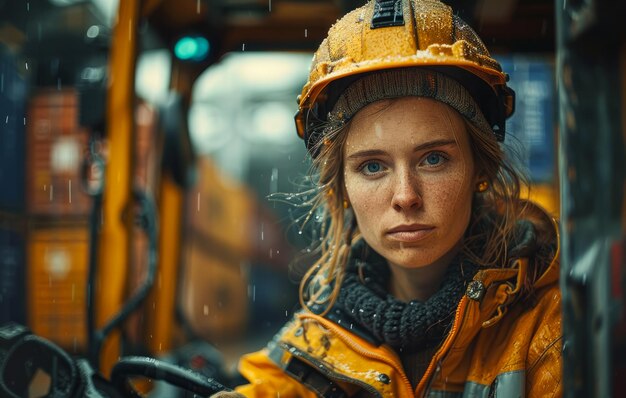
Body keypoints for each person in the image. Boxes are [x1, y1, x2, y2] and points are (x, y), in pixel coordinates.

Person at [214, 0, 561, 396]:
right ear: (341, 188)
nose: (405, 197)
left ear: (479, 170)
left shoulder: (550, 328)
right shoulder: (315, 343)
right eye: (373, 167)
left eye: (433, 159)